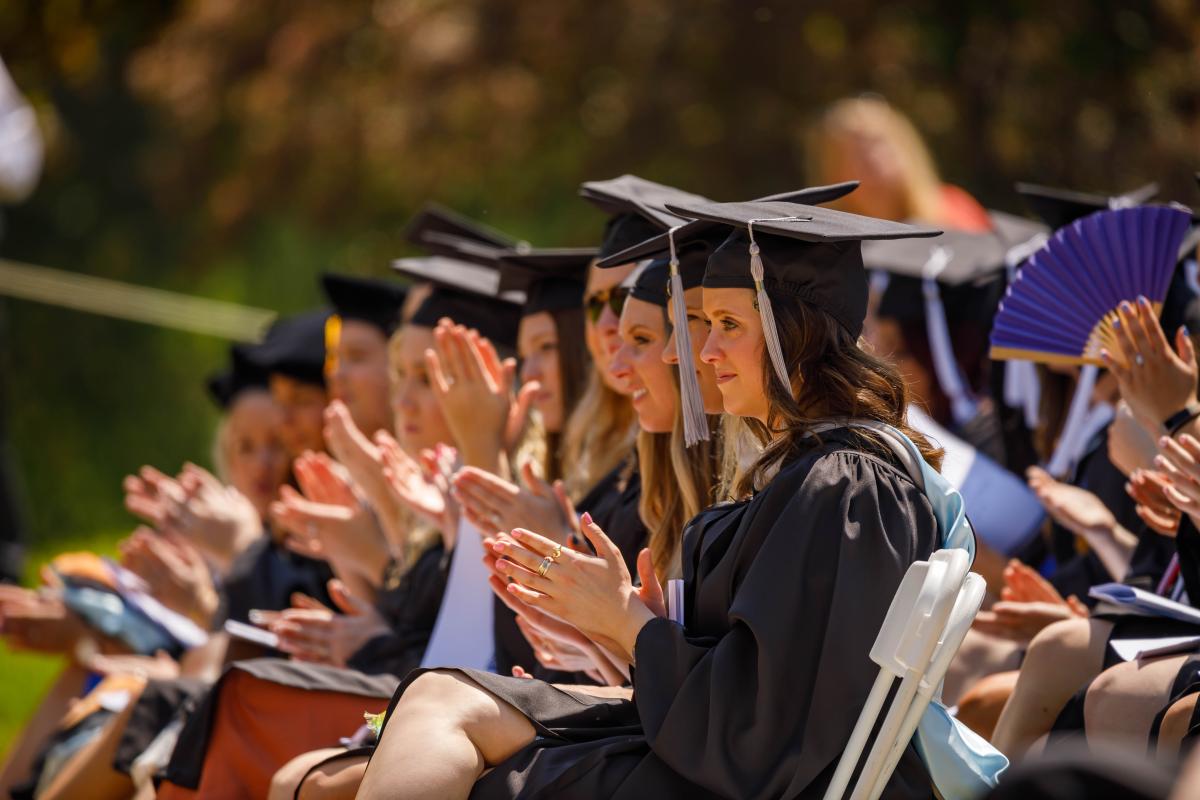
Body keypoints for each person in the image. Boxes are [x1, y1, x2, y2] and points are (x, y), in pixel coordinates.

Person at [356, 198, 947, 799]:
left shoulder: (844, 485)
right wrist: (632, 627)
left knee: (455, 733)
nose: (698, 352)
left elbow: (758, 730)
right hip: (703, 755)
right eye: (704, 325)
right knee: (435, 694)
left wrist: (627, 621)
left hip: (735, 782)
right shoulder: (812, 473)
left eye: (728, 326)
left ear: (794, 335)